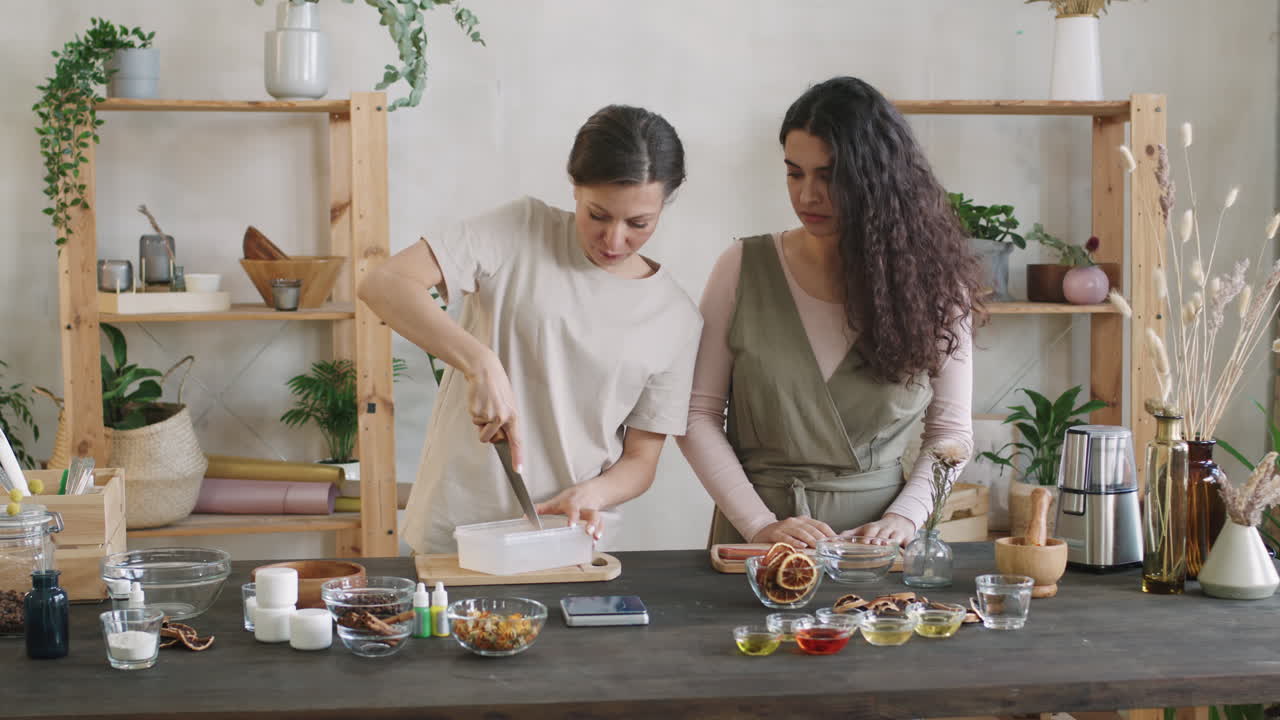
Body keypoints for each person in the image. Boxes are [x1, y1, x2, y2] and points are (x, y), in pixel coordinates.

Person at [359, 105, 702, 554]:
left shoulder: (674, 316)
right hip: (459, 530)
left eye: (639, 223)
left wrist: (591, 494)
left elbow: (641, 460)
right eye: (598, 215)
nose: (614, 240)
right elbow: (384, 284)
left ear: (665, 204)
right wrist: (478, 363)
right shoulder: (519, 230)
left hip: (567, 539)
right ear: (575, 188)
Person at [677, 77, 979, 549]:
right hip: (759, 545)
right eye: (795, 173)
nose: (808, 195)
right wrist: (759, 525)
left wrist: (906, 518)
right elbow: (696, 414)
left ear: (878, 178)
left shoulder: (935, 285)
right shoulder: (740, 267)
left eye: (830, 175)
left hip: (877, 546)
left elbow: (950, 432)